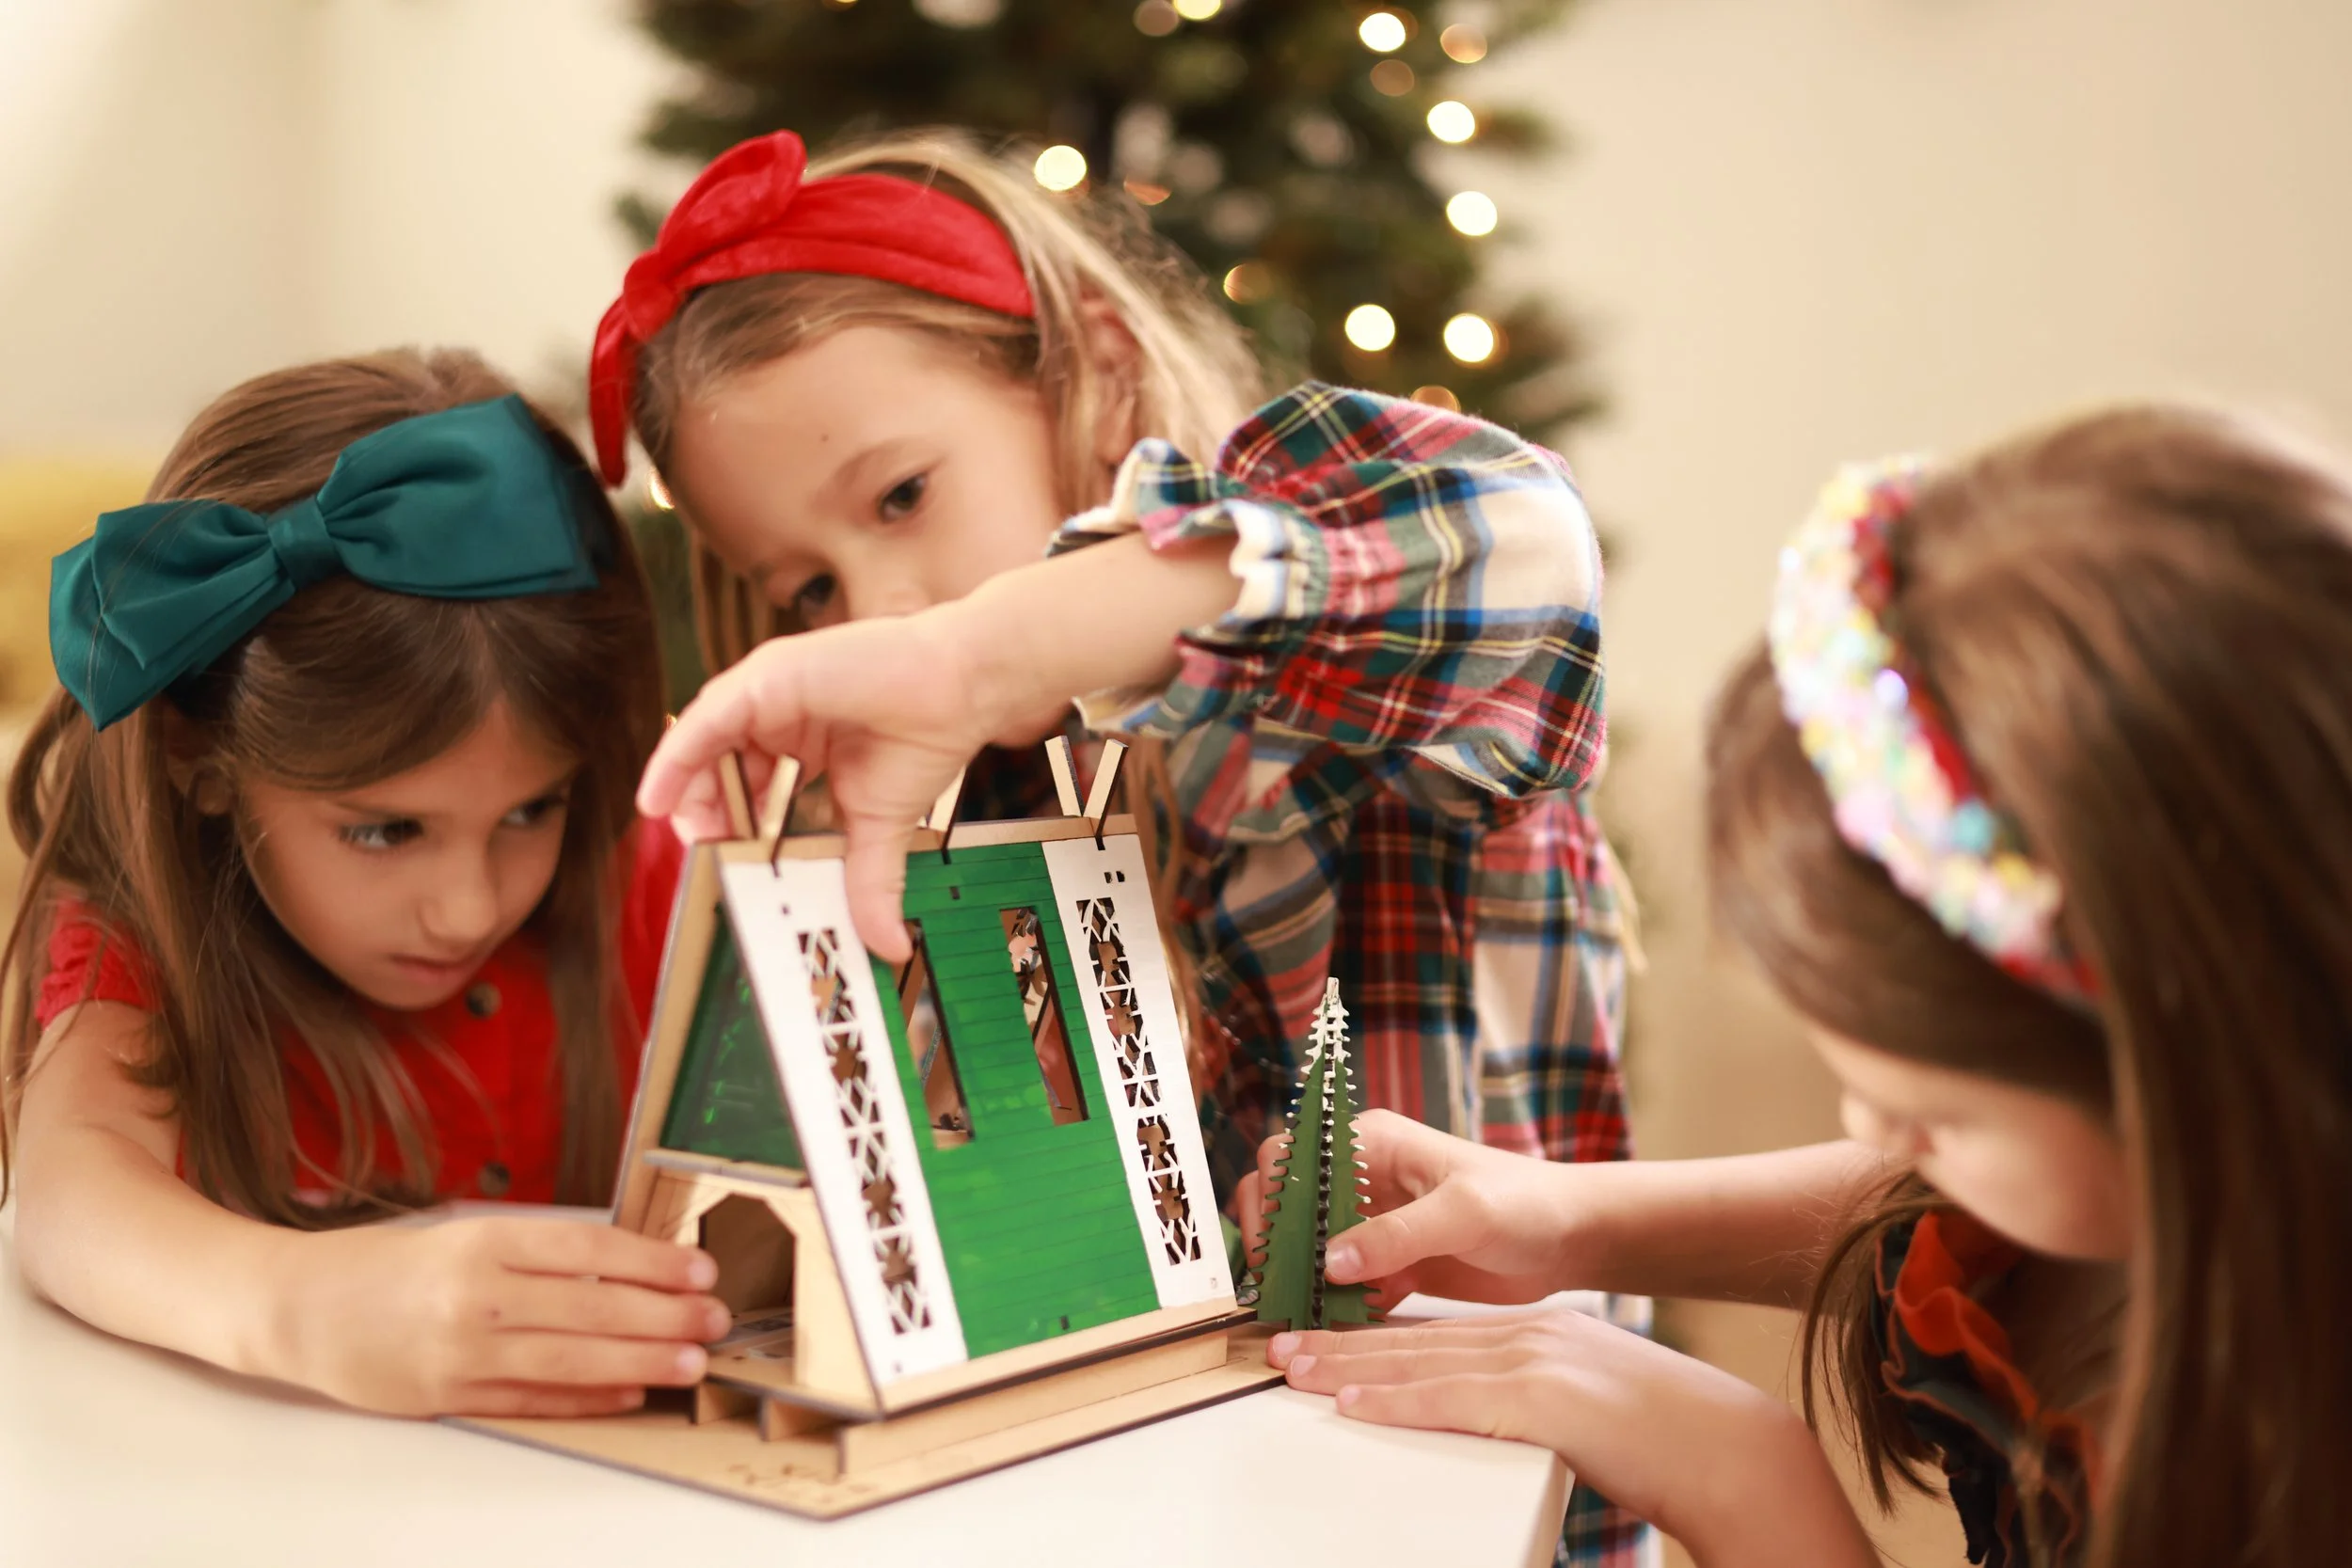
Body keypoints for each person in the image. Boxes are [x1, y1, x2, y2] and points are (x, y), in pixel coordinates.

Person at [604, 126, 1649, 1563]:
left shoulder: (1309, 690)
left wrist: (980, 651)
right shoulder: (961, 820)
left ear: (1088, 367)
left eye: (904, 494)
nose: (879, 607)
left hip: (1482, 1509)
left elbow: (1525, 541)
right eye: (807, 588)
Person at [1251, 405, 2352, 1567]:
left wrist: (1750, 1487)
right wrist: (1559, 1217)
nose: (1872, 1130)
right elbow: (1950, 1210)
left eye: (1944, 1113)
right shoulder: (2177, 1204)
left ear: (2208, 1070)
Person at [4, 350, 729, 1419]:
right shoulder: (146, 936)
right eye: (388, 829)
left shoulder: (649, 878)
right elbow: (69, 1191)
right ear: (193, 755)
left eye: (533, 809)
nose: (470, 906)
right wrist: (299, 1304)